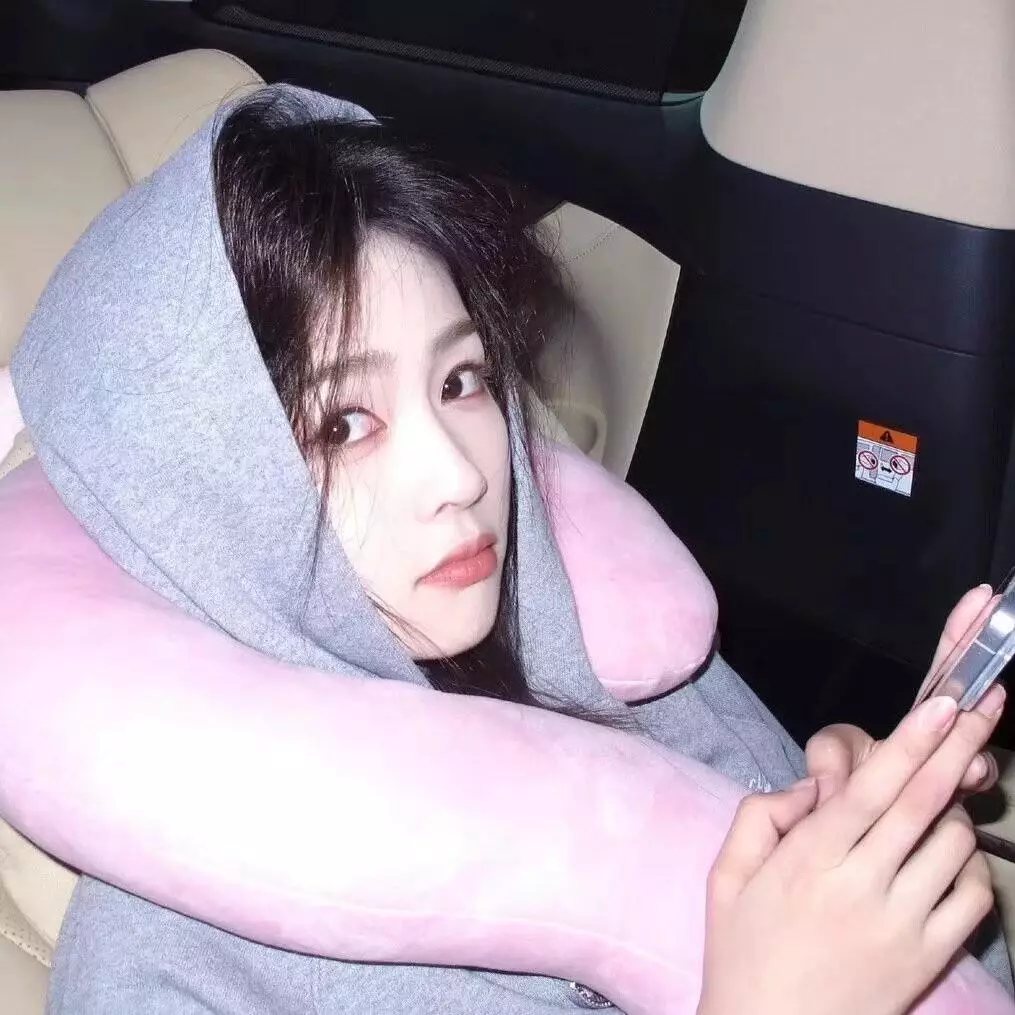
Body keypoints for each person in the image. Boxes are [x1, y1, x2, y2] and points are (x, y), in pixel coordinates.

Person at [9, 84, 1011, 1014]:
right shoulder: (162, 970)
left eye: (459, 381)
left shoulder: (618, 665)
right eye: (343, 425)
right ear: (193, 489)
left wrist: (894, 867)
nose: (459, 474)